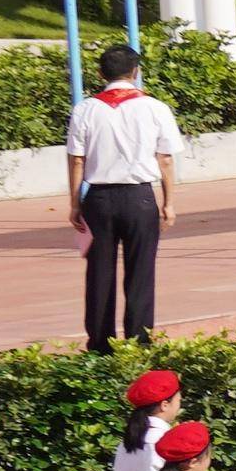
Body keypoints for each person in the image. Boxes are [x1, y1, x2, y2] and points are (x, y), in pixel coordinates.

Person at [63, 44, 178, 348]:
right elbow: (165, 159)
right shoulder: (155, 108)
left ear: (100, 74)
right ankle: (139, 342)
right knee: (141, 271)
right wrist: (168, 202)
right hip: (140, 198)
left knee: (99, 272)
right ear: (136, 72)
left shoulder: (85, 109)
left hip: (98, 199)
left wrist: (75, 203)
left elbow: (77, 159)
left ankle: (100, 344)